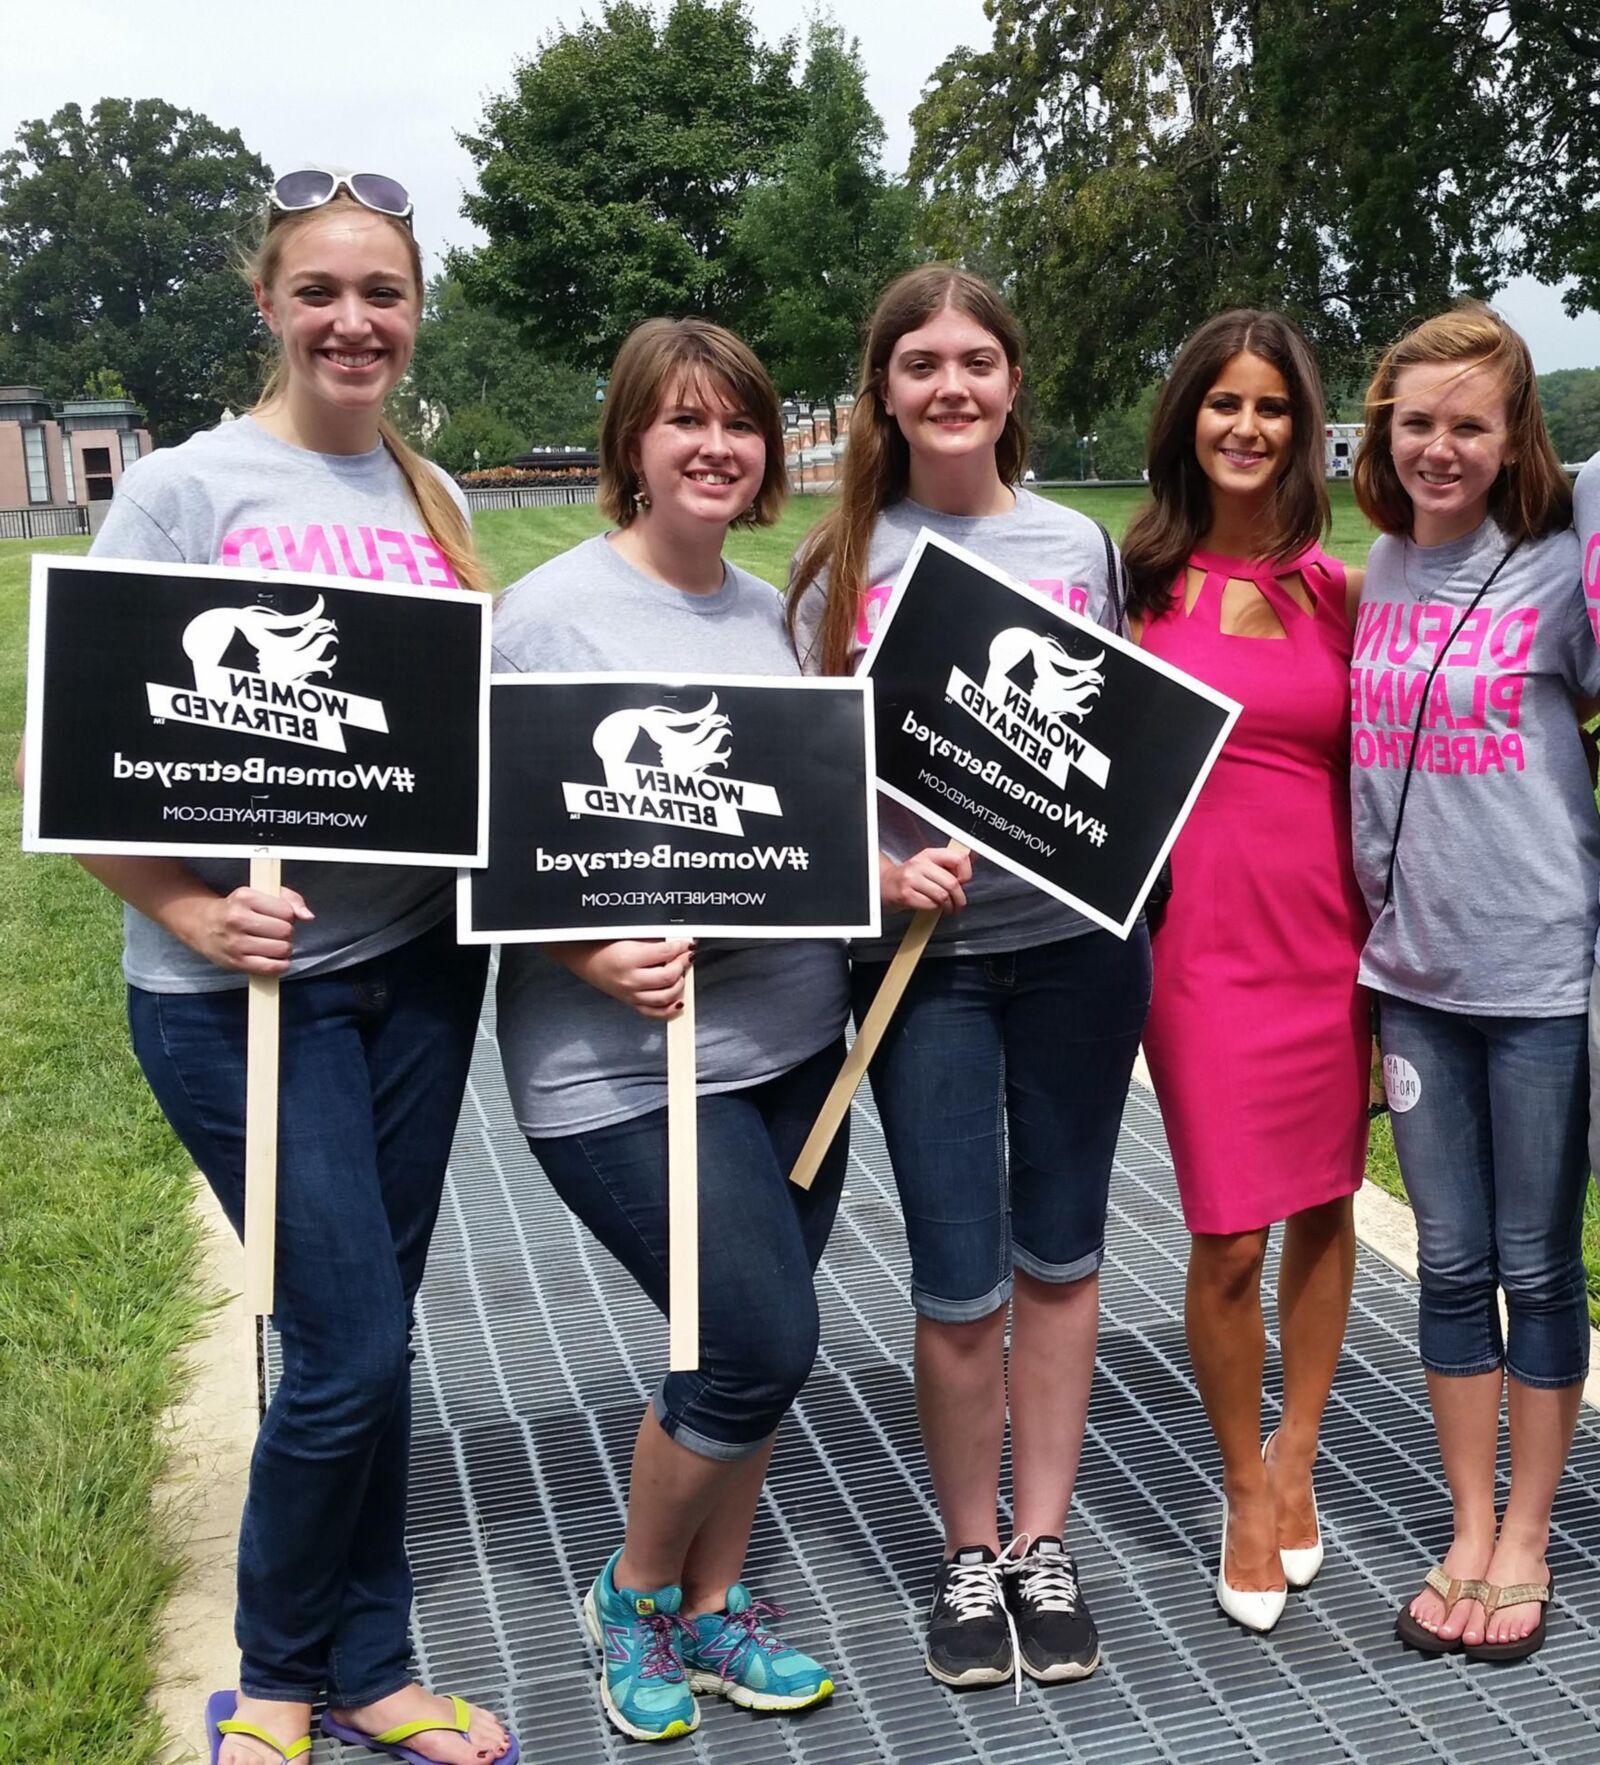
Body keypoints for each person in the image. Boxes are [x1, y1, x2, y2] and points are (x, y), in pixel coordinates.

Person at [28, 169, 516, 1765]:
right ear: (269, 303)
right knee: (351, 1342)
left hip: (419, 972)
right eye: (322, 291)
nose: (353, 321)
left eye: (382, 293)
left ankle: (370, 1667)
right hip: (241, 995)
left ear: (414, 311)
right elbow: (77, 756)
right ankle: (280, 1670)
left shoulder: (433, 492)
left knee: (370, 1329)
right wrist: (185, 912)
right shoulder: (187, 489)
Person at [789, 266, 1150, 1691]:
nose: (952, 385)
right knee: (957, 1282)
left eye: (979, 360)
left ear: (1013, 382)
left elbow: (1118, 748)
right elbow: (797, 780)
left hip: (1072, 955)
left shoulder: (1078, 545)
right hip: (920, 968)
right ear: (883, 387)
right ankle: (965, 1545)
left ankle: (1044, 1535)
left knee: (1060, 1256)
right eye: (923, 361)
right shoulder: (838, 564)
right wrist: (876, 875)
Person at [491, 318, 846, 1745]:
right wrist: (591, 946)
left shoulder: (776, 617)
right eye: (683, 420)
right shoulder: (549, 620)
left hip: (794, 1046)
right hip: (619, 1067)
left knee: (733, 1362)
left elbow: (805, 825)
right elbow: (480, 841)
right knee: (760, 1341)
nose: (715, 446)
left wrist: (880, 872)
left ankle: (714, 1610)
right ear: (629, 440)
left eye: (740, 423)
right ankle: (632, 1596)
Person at [1351, 304, 1600, 1663]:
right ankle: (1465, 1519)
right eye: (1419, 422)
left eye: (1470, 425)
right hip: (1414, 981)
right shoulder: (1379, 569)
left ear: (1513, 443)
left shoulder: (1563, 569)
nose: (1441, 446)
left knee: (1535, 1263)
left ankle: (1531, 1532)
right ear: (1388, 428)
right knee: (1447, 1263)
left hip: (1542, 977)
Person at [1123, 311, 1370, 1633]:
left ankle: (1300, 1455)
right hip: (1199, 950)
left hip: (1329, 942)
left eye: (1272, 404)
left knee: (1326, 1205)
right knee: (1228, 1234)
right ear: (1187, 418)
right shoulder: (1133, 584)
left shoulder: (1340, 589)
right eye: (1223, 401)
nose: (1247, 426)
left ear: (1301, 426)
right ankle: (1237, 1477)